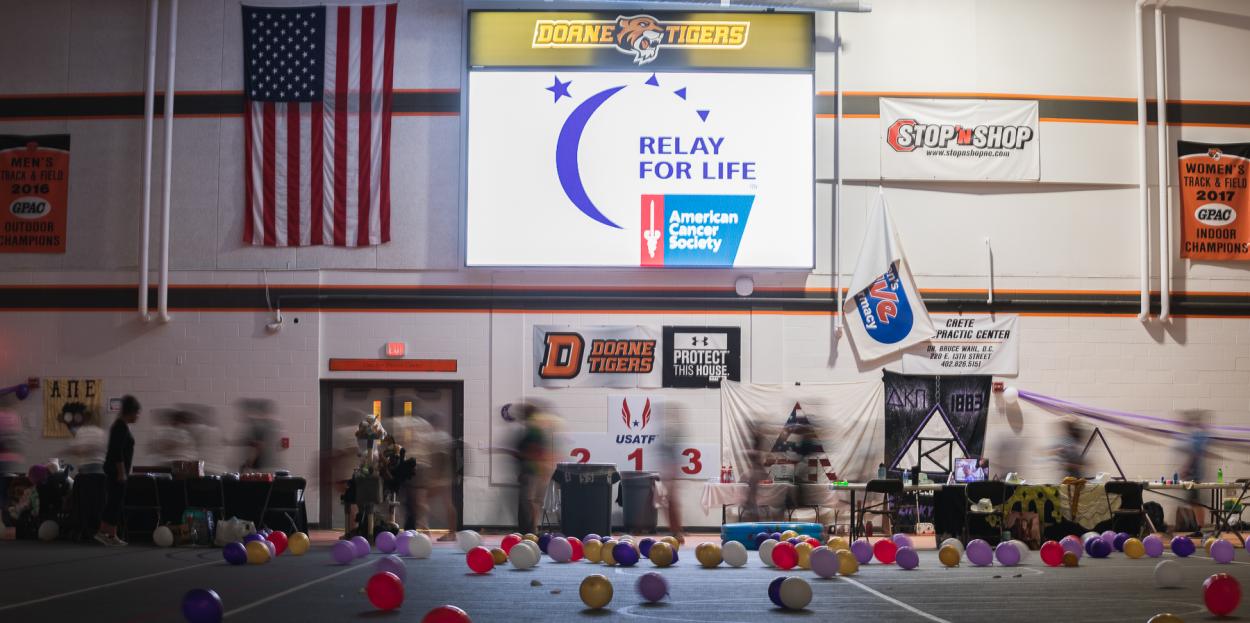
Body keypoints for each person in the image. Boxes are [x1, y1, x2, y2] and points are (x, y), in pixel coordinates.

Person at [96, 395, 139, 546]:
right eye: (136, 413)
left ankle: (111, 534)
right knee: (114, 502)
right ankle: (103, 533)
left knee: (115, 503)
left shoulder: (121, 426)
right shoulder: (120, 427)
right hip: (116, 472)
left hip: (117, 471)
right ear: (130, 412)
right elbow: (116, 452)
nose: (138, 416)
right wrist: (121, 472)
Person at [511, 403, 558, 535]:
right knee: (533, 502)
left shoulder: (533, 431)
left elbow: (535, 453)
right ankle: (532, 529)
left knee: (529, 501)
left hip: (533, 472)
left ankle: (531, 529)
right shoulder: (535, 430)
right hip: (534, 471)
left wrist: (515, 453)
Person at [64, 408, 107, 540]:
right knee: (98, 505)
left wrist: (65, 451)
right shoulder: (101, 432)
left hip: (85, 475)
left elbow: (77, 450)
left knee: (83, 505)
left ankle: (81, 529)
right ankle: (96, 530)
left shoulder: (82, 431)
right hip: (100, 475)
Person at [1181, 409, 1212, 535]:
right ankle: (1199, 528)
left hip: (1195, 474)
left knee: (1196, 502)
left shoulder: (1197, 436)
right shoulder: (1197, 435)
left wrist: (1186, 468)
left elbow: (1194, 454)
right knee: (1194, 502)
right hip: (1195, 473)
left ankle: (1200, 528)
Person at [236, 399, 277, 471]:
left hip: (260, 465)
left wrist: (249, 462)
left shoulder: (259, 426)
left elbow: (259, 445)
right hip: (264, 464)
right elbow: (248, 441)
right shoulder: (268, 424)